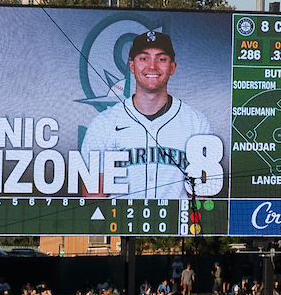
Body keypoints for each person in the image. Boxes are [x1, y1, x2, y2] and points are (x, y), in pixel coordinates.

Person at [79, 31, 224, 198]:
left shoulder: (196, 123)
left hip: (177, 223)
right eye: (144, 58)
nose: (152, 66)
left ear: (172, 67)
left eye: (161, 59)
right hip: (119, 223)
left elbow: (201, 197)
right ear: (132, 66)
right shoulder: (103, 124)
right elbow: (93, 198)